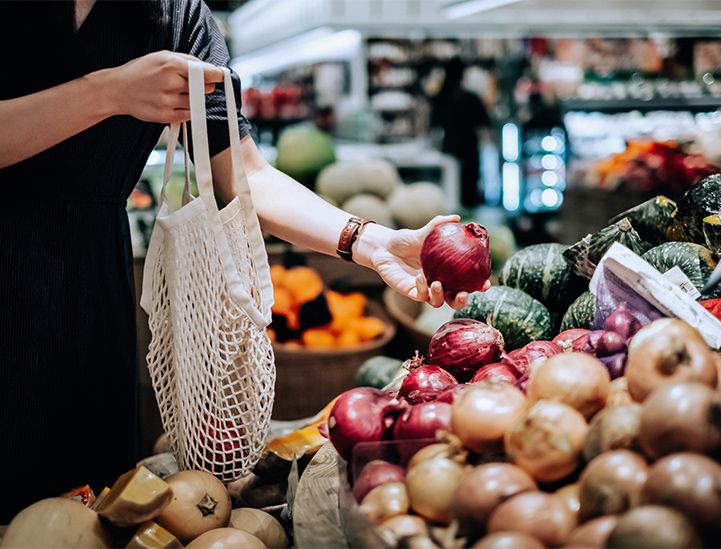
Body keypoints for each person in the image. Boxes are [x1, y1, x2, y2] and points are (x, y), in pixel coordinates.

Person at [0, 0, 489, 522]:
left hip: (91, 288)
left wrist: (369, 242)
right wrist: (108, 93)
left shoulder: (173, 15)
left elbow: (245, 172)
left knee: (88, 506)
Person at [430, 57, 491, 208]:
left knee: (450, 194)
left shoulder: (440, 98)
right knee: (469, 192)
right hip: (469, 149)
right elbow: (484, 122)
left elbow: (434, 126)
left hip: (450, 149)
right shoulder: (471, 98)